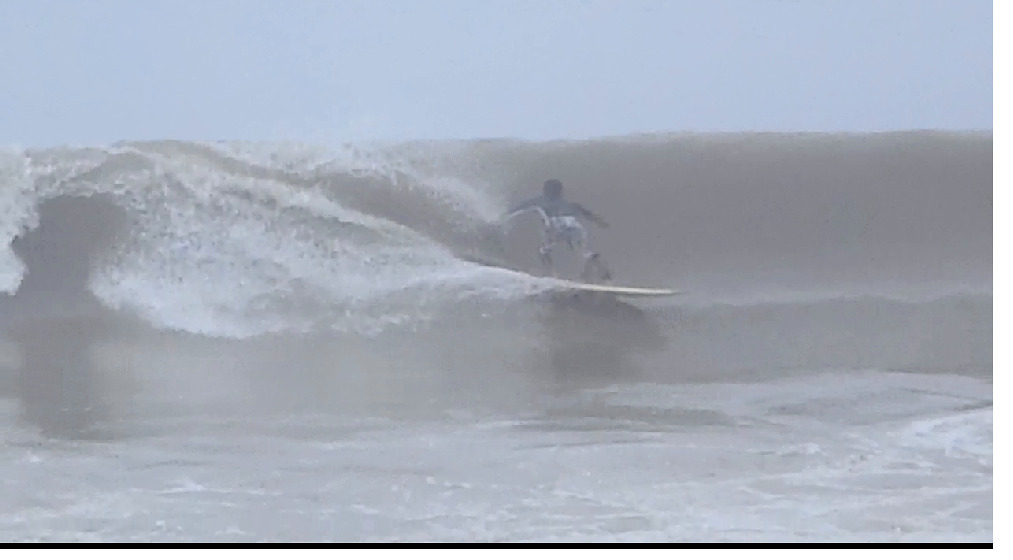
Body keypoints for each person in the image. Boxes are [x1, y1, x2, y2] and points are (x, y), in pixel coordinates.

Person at [503, 179, 611, 281]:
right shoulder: (569, 203)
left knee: (544, 252)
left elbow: (521, 208)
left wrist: (504, 216)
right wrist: (600, 222)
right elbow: (586, 213)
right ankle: (603, 274)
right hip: (576, 228)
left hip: (557, 228)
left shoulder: (540, 201)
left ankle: (552, 276)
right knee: (582, 254)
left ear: (546, 190)